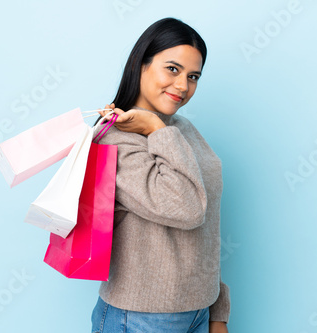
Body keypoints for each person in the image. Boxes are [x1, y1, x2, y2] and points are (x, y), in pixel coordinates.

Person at [92, 17, 230, 333]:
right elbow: (186, 210)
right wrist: (155, 129)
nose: (183, 86)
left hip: (198, 311)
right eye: (172, 69)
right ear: (141, 65)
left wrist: (217, 310)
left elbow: (207, 226)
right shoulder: (115, 141)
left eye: (193, 76)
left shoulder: (182, 129)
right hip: (142, 317)